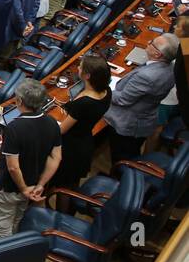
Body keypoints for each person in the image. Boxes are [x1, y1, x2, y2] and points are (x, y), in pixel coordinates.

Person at [0, 79, 59, 238]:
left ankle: (4, 258)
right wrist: (40, 184)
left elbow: (13, 167)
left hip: (9, 187)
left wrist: (23, 188)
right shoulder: (52, 122)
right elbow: (56, 157)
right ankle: (15, 243)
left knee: (2, 227)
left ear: (19, 101)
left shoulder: (13, 128)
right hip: (34, 184)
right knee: (17, 218)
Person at [106, 33, 177, 165]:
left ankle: (120, 181)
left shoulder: (147, 76)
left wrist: (102, 89)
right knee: (132, 153)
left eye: (152, 44)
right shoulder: (171, 67)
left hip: (127, 125)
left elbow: (122, 100)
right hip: (145, 119)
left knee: (122, 160)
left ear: (158, 54)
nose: (148, 41)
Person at [52, 54, 112, 208]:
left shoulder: (84, 103)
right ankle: (68, 210)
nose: (77, 68)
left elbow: (61, 130)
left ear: (87, 75)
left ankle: (60, 219)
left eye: (80, 67)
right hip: (85, 140)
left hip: (71, 148)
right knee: (73, 182)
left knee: (63, 187)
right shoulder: (106, 91)